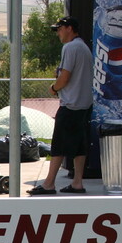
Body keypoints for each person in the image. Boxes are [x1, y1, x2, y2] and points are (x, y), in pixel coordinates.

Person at [28, 16, 94, 195]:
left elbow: (64, 77)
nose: (58, 33)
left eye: (60, 29)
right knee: (80, 145)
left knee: (58, 146)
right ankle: (77, 183)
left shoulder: (70, 47)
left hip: (70, 105)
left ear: (70, 28)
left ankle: (49, 184)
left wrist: (53, 88)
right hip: (84, 105)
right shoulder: (84, 47)